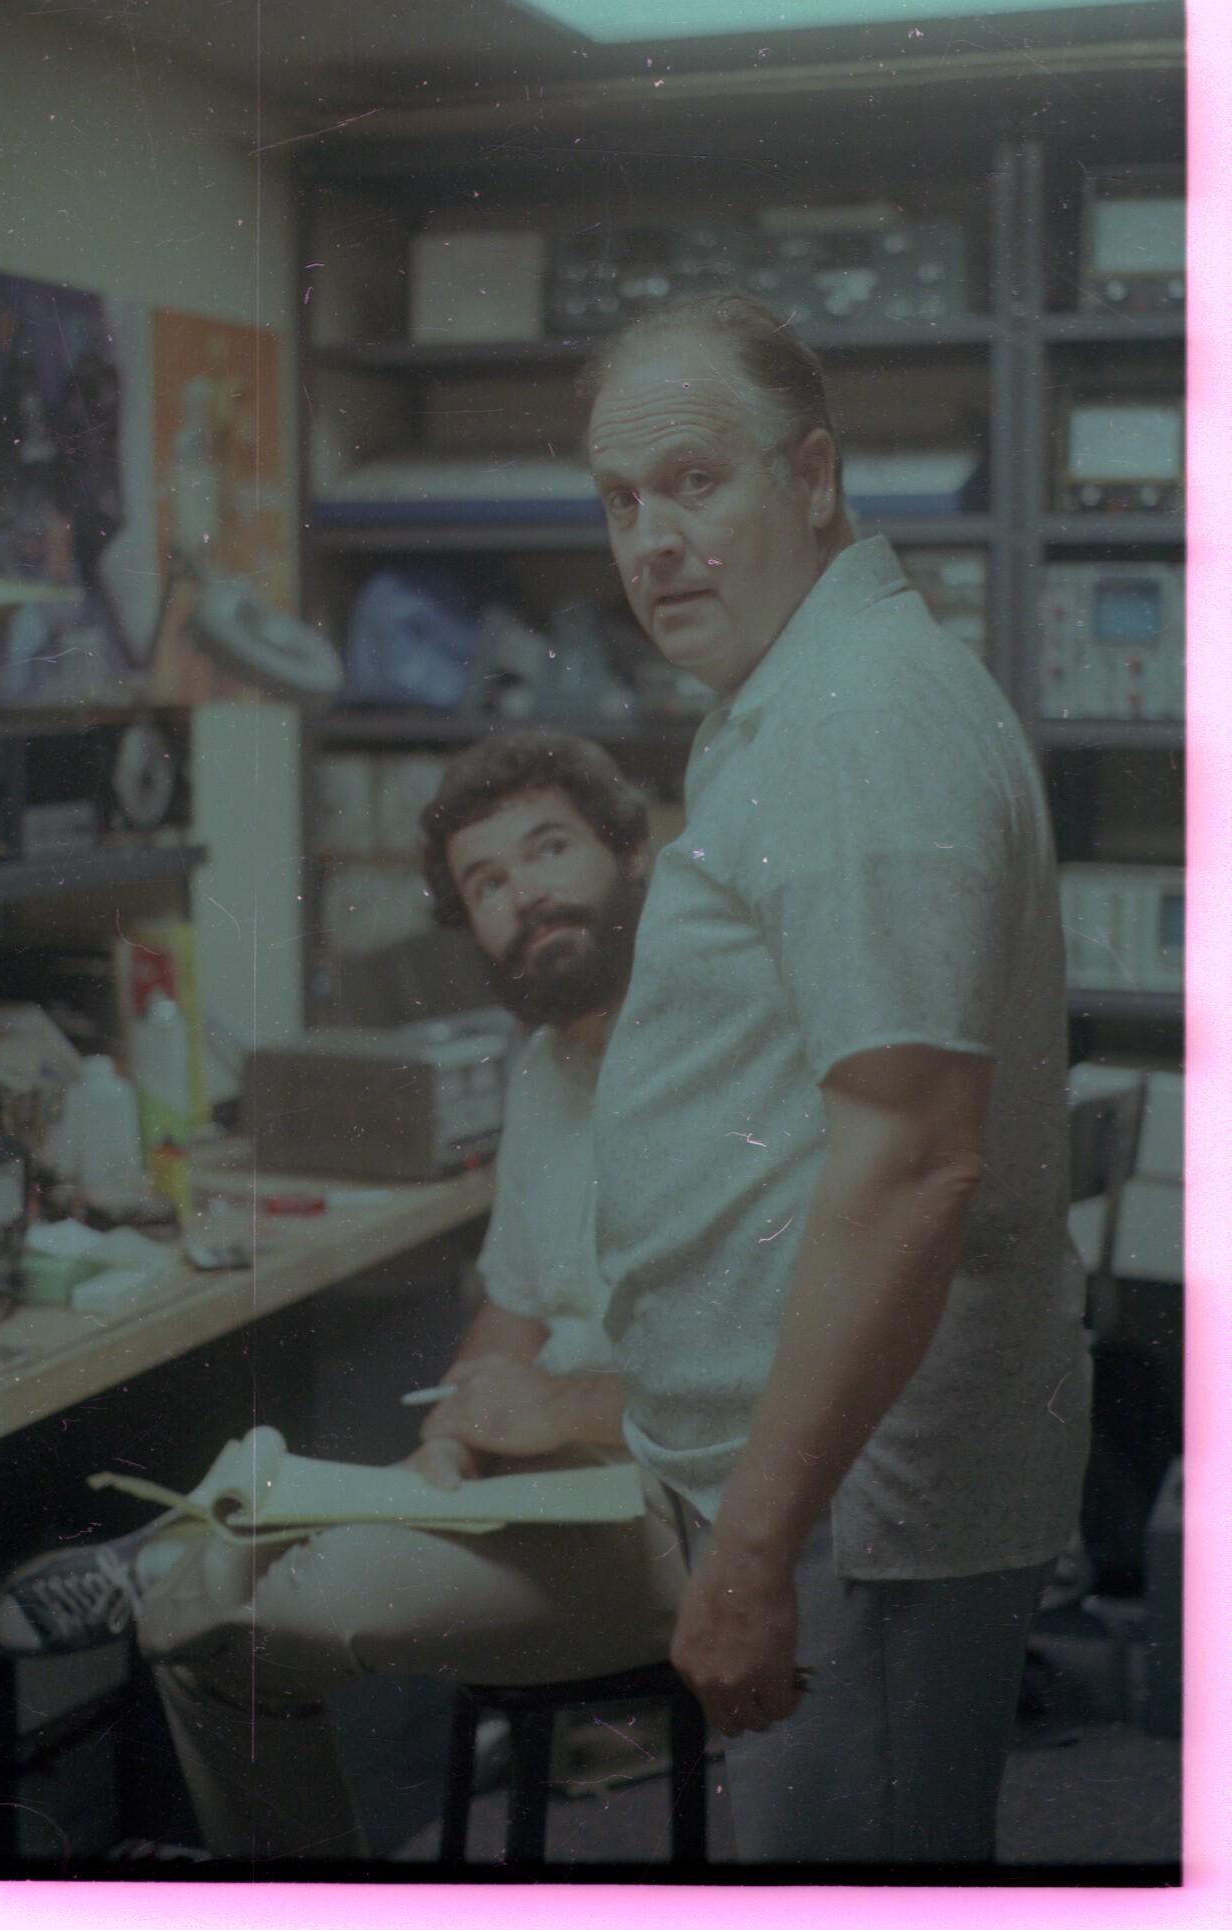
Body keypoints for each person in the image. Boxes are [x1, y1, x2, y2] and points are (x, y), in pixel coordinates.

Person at [583, 292, 1091, 1867]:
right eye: (619, 501)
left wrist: (751, 1544)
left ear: (811, 476)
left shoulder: (858, 717)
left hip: (846, 1500)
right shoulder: (797, 693)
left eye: (693, 481)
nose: (652, 541)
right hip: (817, 1489)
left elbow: (911, 1160)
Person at [0, 730, 687, 1861]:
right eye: (486, 883)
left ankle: (189, 1587)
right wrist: (455, 1431)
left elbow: (762, 1376)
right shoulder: (543, 1070)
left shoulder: (712, 1057)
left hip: (688, 1515)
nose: (524, 895)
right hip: (554, 1483)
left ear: (630, 852)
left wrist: (550, 1408)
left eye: (550, 849)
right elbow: (513, 1303)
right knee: (213, 1599)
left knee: (230, 1621)